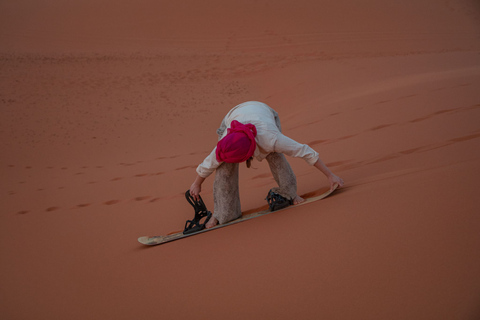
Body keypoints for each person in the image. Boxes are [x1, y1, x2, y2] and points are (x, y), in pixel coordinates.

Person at [189, 101, 344, 228]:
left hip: (264, 113)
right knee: (224, 167)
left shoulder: (271, 138)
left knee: (275, 154)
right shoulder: (226, 140)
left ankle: (289, 193)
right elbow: (209, 163)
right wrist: (197, 184)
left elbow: (304, 151)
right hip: (232, 116)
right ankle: (221, 213)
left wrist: (330, 175)